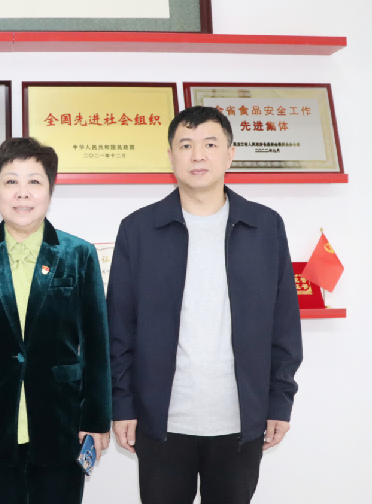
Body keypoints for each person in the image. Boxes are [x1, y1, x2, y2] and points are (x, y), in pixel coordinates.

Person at [107, 106, 304, 504]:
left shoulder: (265, 227)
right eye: (186, 145)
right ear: (170, 157)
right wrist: (122, 403)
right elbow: (119, 328)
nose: (198, 155)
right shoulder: (139, 229)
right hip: (161, 420)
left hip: (241, 420)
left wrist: (279, 401)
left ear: (230, 154)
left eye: (210, 144)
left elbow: (284, 323)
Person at [0, 137, 111, 504]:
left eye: (34, 181)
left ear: (50, 189)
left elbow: (96, 345)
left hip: (62, 421)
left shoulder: (79, 254)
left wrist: (96, 419)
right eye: (11, 181)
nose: (22, 193)